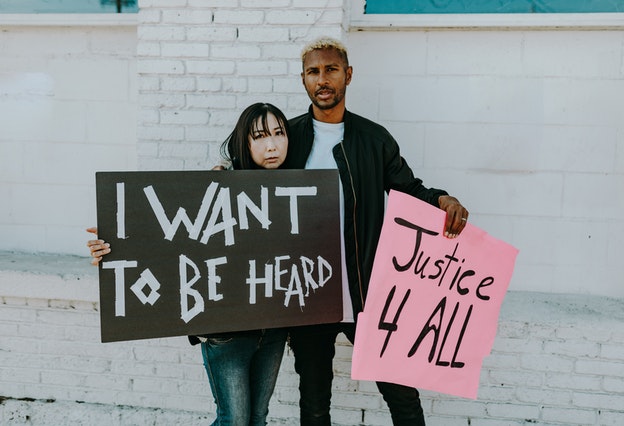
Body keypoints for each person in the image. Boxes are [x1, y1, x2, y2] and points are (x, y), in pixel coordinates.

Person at [282, 37, 470, 426]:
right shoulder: (287, 137)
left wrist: (442, 200)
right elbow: (251, 180)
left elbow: (409, 189)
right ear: (302, 80)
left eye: (331, 69)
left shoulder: (374, 139)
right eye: (313, 71)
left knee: (401, 393)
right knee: (314, 403)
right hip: (308, 292)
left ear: (348, 75)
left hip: (366, 288)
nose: (323, 79)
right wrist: (223, 174)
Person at [87, 102, 291, 426]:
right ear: (244, 142)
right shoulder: (216, 183)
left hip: (274, 328)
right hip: (227, 331)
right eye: (260, 136)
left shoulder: (298, 189)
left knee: (257, 418)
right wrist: (116, 245)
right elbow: (170, 233)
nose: (272, 145)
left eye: (279, 134)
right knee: (234, 420)